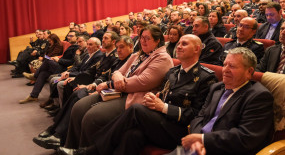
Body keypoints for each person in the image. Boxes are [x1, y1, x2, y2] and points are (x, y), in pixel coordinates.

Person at [56, 34, 218, 155]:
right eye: (179, 43)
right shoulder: (173, 71)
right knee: (132, 135)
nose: (179, 46)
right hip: (160, 121)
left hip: (179, 129)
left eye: (185, 44)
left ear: (197, 49)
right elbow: (163, 94)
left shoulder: (206, 77)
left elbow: (197, 114)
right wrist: (155, 98)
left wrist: (164, 107)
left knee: (136, 109)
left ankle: (93, 150)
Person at [63, 25, 173, 149]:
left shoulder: (163, 58)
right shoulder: (137, 55)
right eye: (141, 37)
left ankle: (86, 151)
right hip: (118, 90)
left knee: (92, 117)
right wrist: (118, 77)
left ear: (158, 40)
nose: (142, 41)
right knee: (78, 107)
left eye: (147, 38)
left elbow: (141, 82)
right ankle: (71, 147)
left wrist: (112, 83)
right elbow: (117, 72)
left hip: (134, 97)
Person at [32, 36, 133, 150]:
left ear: (131, 47)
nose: (118, 50)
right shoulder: (115, 57)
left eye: (121, 47)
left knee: (78, 94)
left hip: (111, 92)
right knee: (75, 93)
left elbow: (115, 79)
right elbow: (98, 72)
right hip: (99, 86)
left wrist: (96, 86)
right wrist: (93, 84)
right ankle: (55, 130)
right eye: (118, 47)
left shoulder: (126, 59)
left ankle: (59, 135)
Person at [179, 47, 274, 155]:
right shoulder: (216, 88)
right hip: (198, 147)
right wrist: (197, 140)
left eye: (232, 66)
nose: (225, 70)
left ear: (249, 71)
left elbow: (245, 137)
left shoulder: (259, 96)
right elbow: (200, 117)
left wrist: (204, 139)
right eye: (224, 65)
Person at [19, 31, 79, 104]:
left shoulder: (76, 48)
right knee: (43, 73)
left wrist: (59, 59)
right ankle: (33, 96)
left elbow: (72, 62)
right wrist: (57, 58)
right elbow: (48, 54)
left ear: (77, 37)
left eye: (71, 36)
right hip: (60, 64)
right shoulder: (70, 46)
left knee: (48, 60)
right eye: (68, 36)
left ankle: (35, 76)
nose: (69, 37)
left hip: (64, 68)